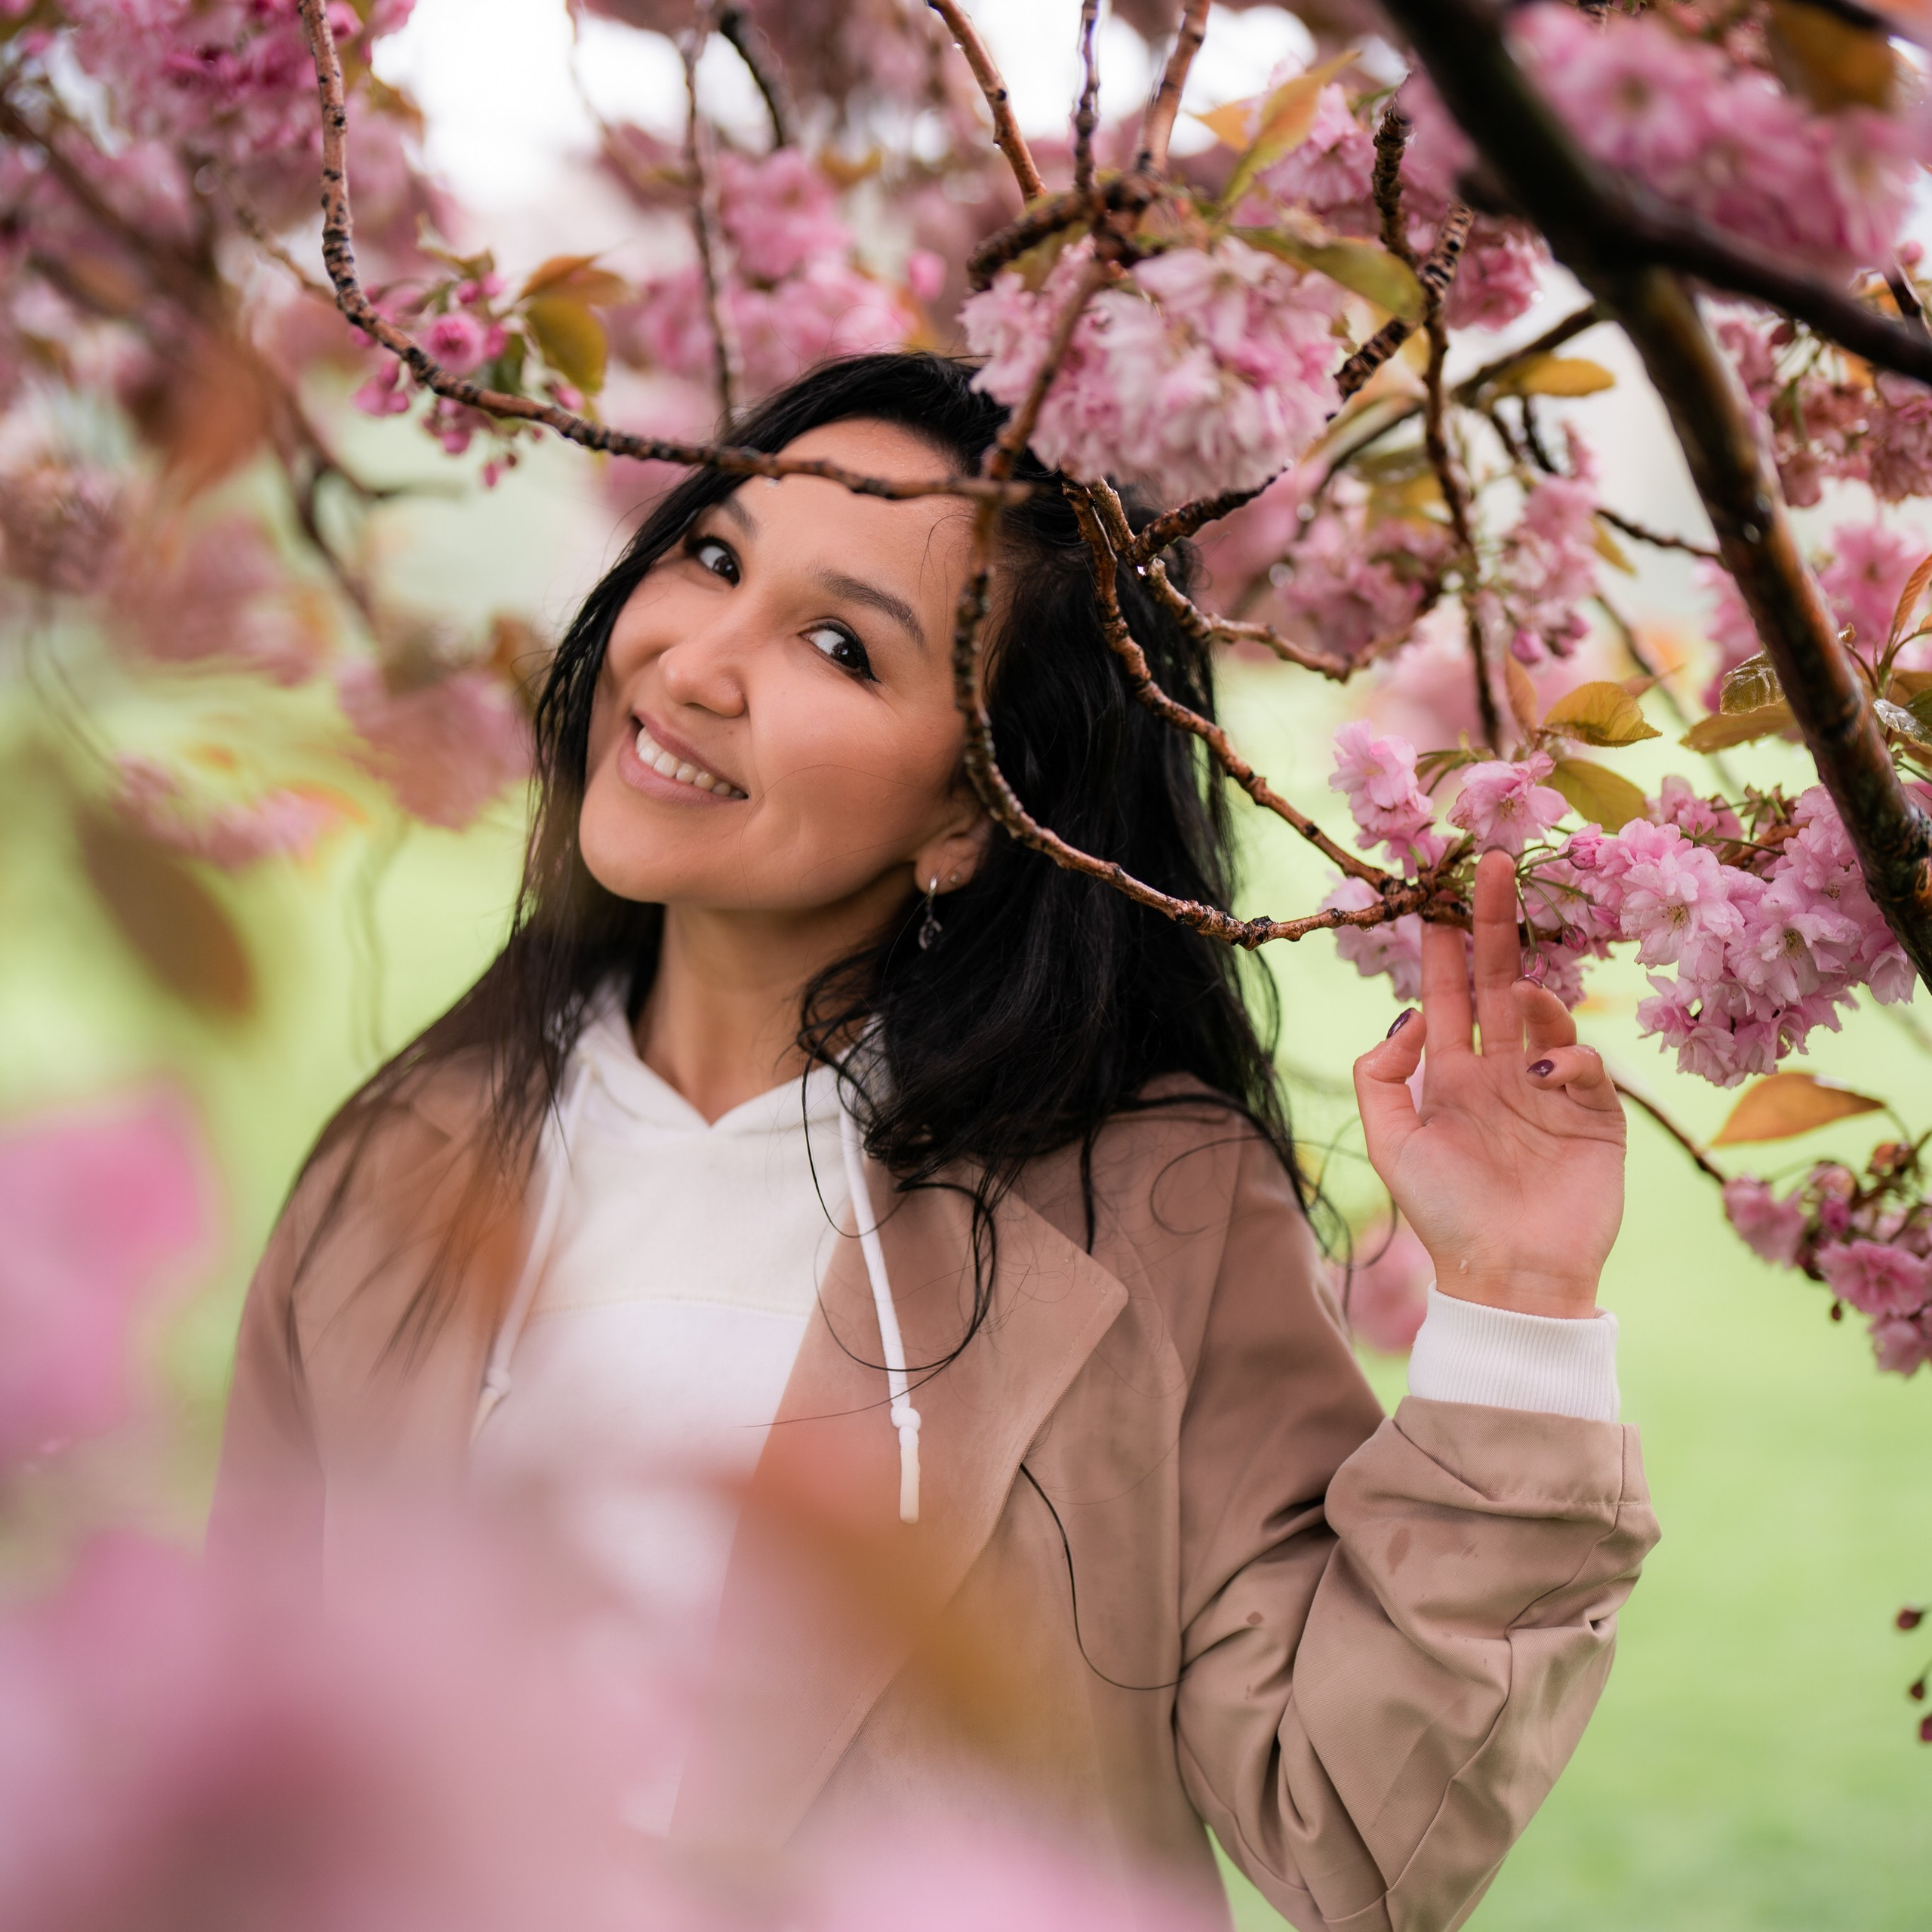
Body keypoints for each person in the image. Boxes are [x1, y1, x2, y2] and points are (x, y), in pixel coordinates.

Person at [211, 352, 1656, 1930]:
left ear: (977, 811)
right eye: (712, 555)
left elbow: (1355, 1833)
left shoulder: (1139, 1205)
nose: (695, 663)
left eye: (839, 644)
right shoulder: (402, 1164)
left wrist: (1516, 1300)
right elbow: (254, 1774)